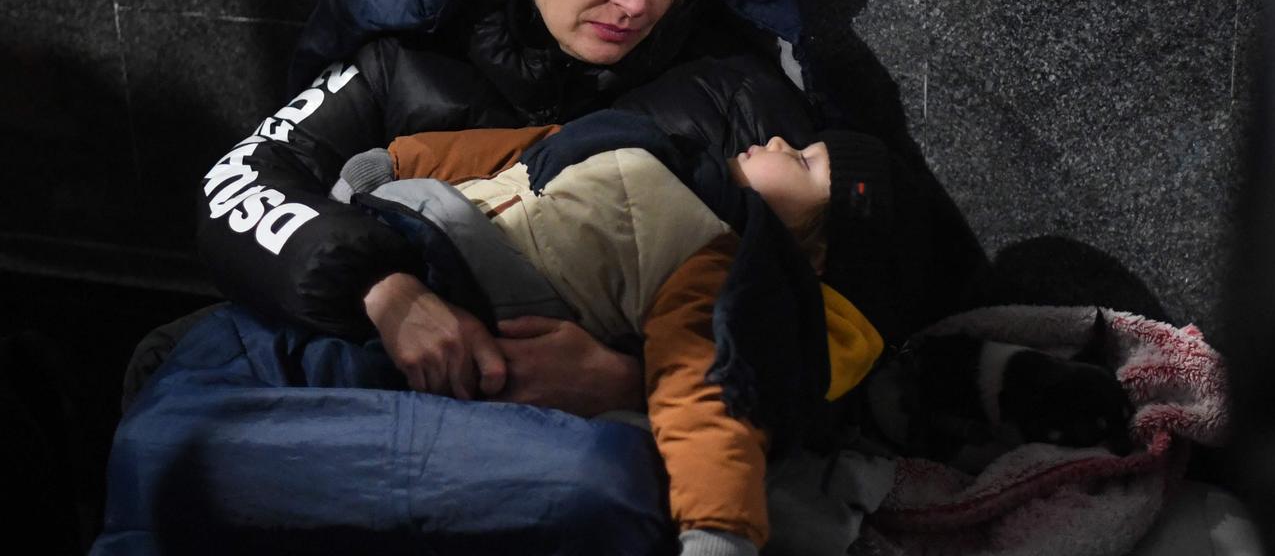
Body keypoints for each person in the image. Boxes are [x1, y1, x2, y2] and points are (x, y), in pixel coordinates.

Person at [195, 0, 822, 421]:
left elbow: (848, 314)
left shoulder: (728, 95)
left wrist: (633, 380)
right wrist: (386, 292)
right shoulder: (400, 68)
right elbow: (240, 182)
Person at [331, 111, 886, 556]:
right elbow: (526, 149)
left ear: (810, 253)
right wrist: (397, 161)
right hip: (391, 238)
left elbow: (702, 388)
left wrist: (719, 530)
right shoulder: (656, 138)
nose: (785, 142)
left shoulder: (711, 255)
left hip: (467, 303)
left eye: (809, 165)